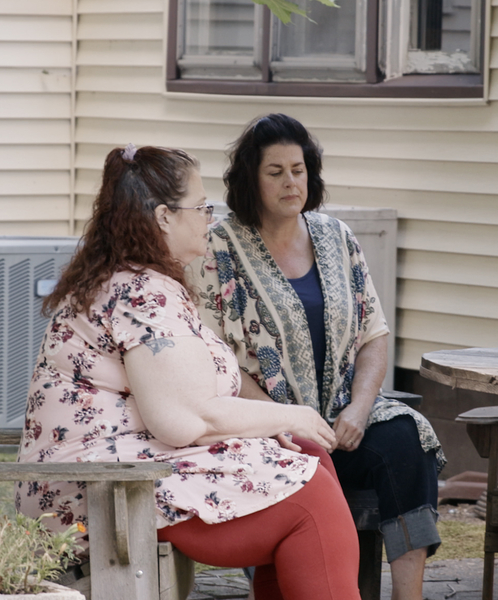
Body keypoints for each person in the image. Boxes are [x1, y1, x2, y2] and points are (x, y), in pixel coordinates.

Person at [16, 144, 359, 600]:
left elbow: (183, 410)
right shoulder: (141, 293)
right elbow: (183, 421)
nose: (209, 218)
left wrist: (282, 427)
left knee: (310, 457)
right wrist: (289, 415)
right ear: (163, 217)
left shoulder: (132, 280)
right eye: (200, 207)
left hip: (119, 475)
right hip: (99, 496)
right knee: (311, 502)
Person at [190, 113, 446, 600]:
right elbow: (214, 355)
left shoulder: (336, 236)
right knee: (302, 459)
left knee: (406, 440)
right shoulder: (218, 248)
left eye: (299, 168)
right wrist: (286, 418)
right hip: (267, 429)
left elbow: (374, 332)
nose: (292, 181)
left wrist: (359, 408)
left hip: (341, 420)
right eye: (276, 171)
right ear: (251, 178)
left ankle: (407, 595)